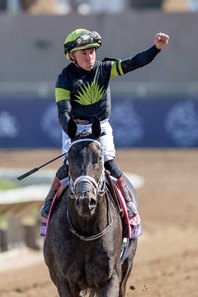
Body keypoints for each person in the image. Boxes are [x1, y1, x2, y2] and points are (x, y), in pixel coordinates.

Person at [40, 28, 169, 222]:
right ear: (72, 55)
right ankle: (49, 202)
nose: (89, 56)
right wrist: (71, 130)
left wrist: (156, 48)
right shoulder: (64, 78)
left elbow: (134, 62)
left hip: (100, 125)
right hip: (74, 127)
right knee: (69, 165)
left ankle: (128, 201)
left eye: (92, 51)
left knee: (109, 163)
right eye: (84, 52)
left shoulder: (105, 68)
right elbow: (63, 112)